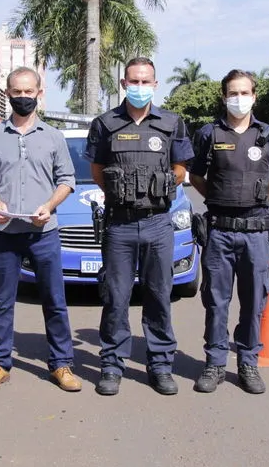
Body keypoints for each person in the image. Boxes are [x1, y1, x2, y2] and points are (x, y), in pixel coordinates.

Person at [85, 57, 194, 396]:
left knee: (159, 297)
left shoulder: (172, 123)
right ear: (123, 84)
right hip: (119, 225)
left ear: (155, 85)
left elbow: (179, 169)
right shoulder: (105, 124)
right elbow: (98, 171)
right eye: (134, 81)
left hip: (158, 224)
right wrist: (123, 193)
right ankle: (112, 365)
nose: (140, 87)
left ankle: (160, 365)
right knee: (116, 298)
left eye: (146, 82)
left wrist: (152, 190)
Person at [0, 66, 81, 393]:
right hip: (6, 234)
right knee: (2, 301)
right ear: (8, 93)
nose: (23, 97)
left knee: (54, 300)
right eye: (17, 91)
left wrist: (49, 206)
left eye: (28, 91)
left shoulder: (53, 137)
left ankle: (61, 365)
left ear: (39, 93)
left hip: (43, 233)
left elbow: (67, 181)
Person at [188, 69, 269, 395]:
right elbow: (196, 177)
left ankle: (248, 362)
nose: (239, 99)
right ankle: (215, 363)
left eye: (245, 93)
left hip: (256, 234)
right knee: (216, 301)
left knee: (254, 301)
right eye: (233, 93)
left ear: (254, 96)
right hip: (219, 232)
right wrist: (219, 200)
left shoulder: (268, 135)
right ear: (223, 96)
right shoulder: (208, 133)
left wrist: (255, 202)